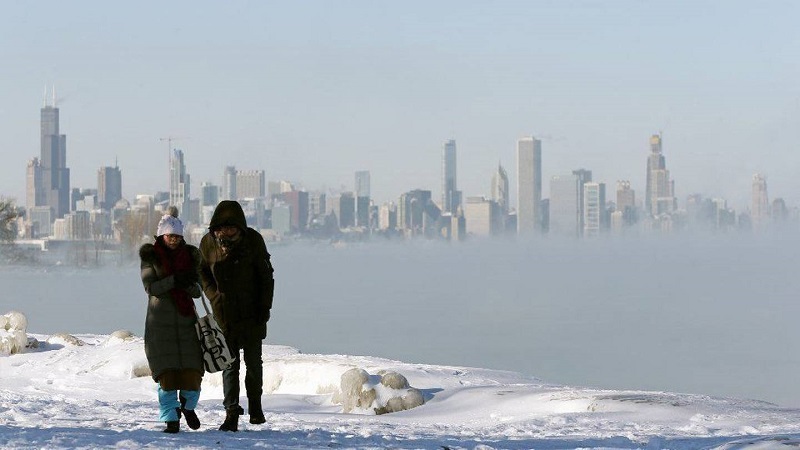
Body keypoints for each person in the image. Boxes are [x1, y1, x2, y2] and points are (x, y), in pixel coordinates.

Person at [199, 200, 275, 432]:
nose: (225, 233)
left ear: (240, 227)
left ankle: (256, 408)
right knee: (229, 365)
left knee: (254, 364)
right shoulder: (208, 243)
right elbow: (201, 272)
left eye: (231, 228)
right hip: (224, 314)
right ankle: (231, 412)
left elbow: (266, 277)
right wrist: (213, 295)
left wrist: (264, 309)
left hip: (252, 313)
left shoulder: (253, 241)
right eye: (221, 228)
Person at [139, 208, 204, 433]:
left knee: (192, 373)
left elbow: (197, 291)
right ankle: (171, 419)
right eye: (170, 236)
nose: (174, 240)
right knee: (167, 377)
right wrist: (174, 280)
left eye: (177, 237)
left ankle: (187, 407)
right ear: (161, 236)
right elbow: (151, 287)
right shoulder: (151, 257)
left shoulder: (190, 257)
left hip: (187, 324)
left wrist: (187, 283)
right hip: (160, 326)